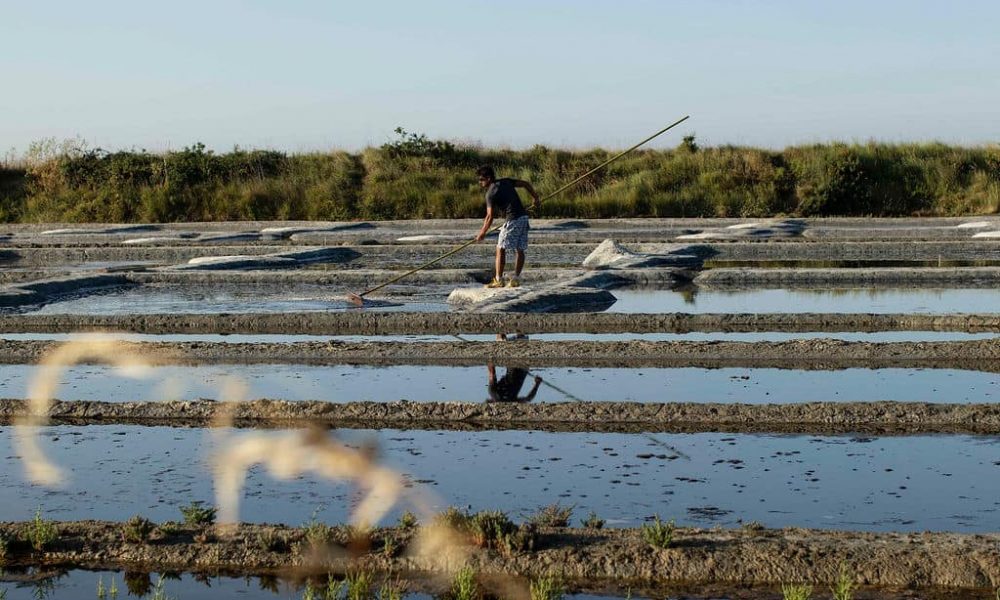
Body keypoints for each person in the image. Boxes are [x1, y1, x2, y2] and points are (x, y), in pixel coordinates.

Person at [474, 165, 540, 288]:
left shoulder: (490, 193)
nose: (480, 182)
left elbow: (489, 216)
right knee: (520, 249)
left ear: (488, 178)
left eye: (481, 179)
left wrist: (482, 232)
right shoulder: (506, 181)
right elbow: (526, 184)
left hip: (513, 219)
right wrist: (535, 198)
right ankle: (515, 278)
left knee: (500, 248)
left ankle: (498, 280)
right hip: (524, 218)